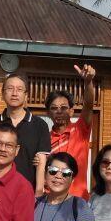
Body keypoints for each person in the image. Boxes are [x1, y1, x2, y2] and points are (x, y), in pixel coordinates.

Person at [0, 73, 48, 195]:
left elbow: (41, 161)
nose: (14, 93)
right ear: (3, 93)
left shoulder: (39, 125)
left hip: (26, 191)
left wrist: (38, 192)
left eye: (19, 89)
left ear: (26, 95)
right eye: (10, 89)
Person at [44, 64, 96, 199]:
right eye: (54, 108)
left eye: (64, 107)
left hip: (77, 201)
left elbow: (89, 105)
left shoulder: (80, 129)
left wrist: (88, 82)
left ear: (72, 111)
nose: (59, 111)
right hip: (51, 202)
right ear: (48, 113)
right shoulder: (44, 139)